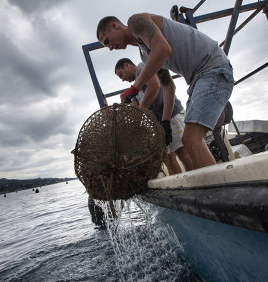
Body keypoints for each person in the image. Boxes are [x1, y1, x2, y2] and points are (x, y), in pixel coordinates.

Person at [97, 14, 234, 169]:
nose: (109, 47)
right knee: (190, 140)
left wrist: (134, 88)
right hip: (197, 80)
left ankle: (216, 190)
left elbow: (163, 49)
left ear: (115, 26)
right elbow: (168, 87)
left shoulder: (135, 22)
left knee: (191, 139)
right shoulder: (145, 53)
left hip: (213, 69)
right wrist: (166, 121)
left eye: (107, 41)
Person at [114, 58, 193, 174]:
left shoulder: (142, 67)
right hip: (159, 124)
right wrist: (123, 110)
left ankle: (194, 182)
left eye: (121, 75)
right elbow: (135, 108)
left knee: (182, 152)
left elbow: (154, 86)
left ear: (127, 65)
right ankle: (181, 185)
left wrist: (141, 110)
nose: (122, 79)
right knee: (167, 158)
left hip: (172, 115)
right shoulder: (135, 89)